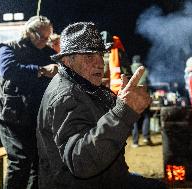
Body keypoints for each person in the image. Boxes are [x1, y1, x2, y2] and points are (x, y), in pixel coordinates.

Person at [36, 22, 166, 189]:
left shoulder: (82, 85)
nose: (99, 63)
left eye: (100, 54)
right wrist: (123, 111)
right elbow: (80, 161)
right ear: (68, 61)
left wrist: (118, 101)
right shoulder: (66, 95)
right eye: (89, 56)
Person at [0, 15, 58, 189]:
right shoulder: (8, 48)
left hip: (36, 117)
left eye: (48, 37)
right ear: (29, 32)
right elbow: (8, 70)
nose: (45, 41)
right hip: (11, 116)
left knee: (39, 162)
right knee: (20, 161)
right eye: (41, 37)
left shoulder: (47, 52)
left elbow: (63, 70)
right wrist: (41, 70)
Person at [130, 55, 152, 147]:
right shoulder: (145, 70)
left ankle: (135, 142)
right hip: (143, 96)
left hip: (133, 97)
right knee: (146, 116)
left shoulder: (129, 68)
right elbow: (149, 83)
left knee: (134, 119)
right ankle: (146, 137)